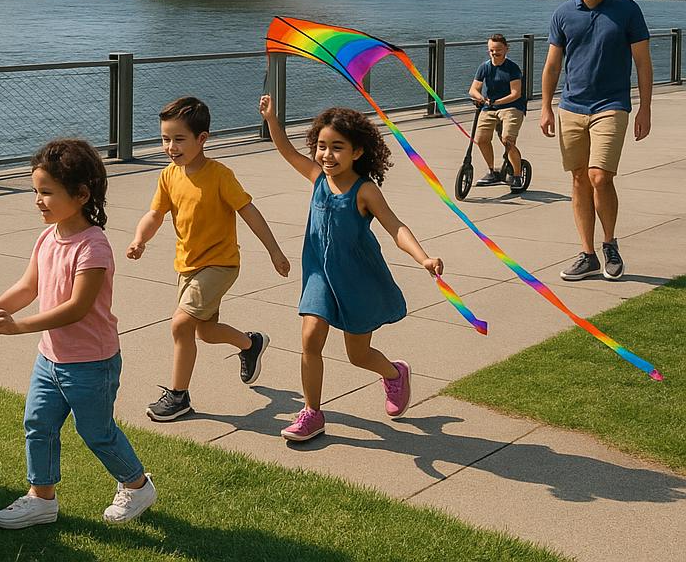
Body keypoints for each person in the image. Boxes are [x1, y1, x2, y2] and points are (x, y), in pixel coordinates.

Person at [0, 139, 157, 530]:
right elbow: (28, 286)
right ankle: (41, 498)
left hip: (91, 363)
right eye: (35, 191)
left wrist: (17, 326)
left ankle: (137, 485)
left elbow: (77, 307)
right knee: (38, 424)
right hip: (49, 358)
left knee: (97, 433)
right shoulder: (48, 238)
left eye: (47, 192)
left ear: (81, 194)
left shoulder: (93, 246)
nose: (38, 201)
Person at [259, 96, 444, 443]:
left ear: (357, 151)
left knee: (357, 354)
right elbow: (286, 150)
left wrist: (424, 258)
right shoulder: (317, 177)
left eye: (337, 147)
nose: (327, 155)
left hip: (357, 280)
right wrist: (272, 119)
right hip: (319, 276)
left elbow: (396, 227)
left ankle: (394, 373)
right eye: (322, 146)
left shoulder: (365, 191)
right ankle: (312, 413)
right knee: (310, 337)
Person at [126, 96, 291, 422]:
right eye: (165, 139)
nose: (171, 147)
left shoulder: (219, 175)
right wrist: (139, 239)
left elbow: (248, 211)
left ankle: (178, 396)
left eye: (179, 139)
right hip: (188, 265)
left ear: (202, 139)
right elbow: (155, 214)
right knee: (205, 331)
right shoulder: (169, 175)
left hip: (220, 264)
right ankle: (250, 344)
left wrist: (274, 250)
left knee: (181, 324)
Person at [540, 0, 652, 281]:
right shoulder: (563, 14)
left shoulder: (627, 10)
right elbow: (552, 66)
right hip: (571, 107)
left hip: (611, 106)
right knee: (578, 178)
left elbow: (643, 63)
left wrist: (645, 108)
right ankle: (587, 254)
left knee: (600, 177)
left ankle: (610, 244)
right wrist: (545, 107)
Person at [467, 33, 527, 190]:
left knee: (507, 139)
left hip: (512, 106)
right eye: (491, 50)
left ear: (506, 49)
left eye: (498, 50)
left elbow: (516, 94)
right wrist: (481, 98)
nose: (495, 53)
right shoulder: (484, 67)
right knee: (481, 139)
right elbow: (473, 89)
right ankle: (492, 171)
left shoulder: (512, 68)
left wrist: (497, 102)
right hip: (489, 107)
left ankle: (517, 175)